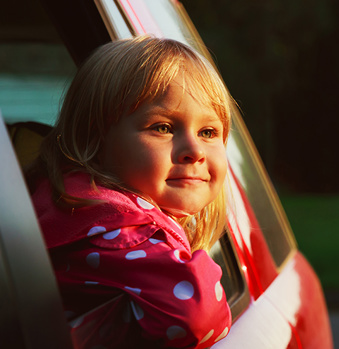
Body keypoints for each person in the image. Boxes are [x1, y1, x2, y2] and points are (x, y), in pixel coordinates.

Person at [29, 36, 232, 348]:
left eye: (208, 132)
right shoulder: (125, 231)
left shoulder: (56, 200)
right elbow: (198, 318)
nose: (194, 150)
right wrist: (199, 262)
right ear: (94, 142)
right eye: (162, 127)